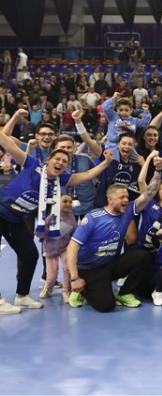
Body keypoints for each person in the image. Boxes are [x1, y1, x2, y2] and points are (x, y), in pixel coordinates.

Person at [0, 116, 113, 313]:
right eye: (57, 159)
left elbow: (87, 175)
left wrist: (107, 162)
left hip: (16, 219)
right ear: (49, 160)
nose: (60, 162)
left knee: (29, 255)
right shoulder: (32, 164)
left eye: (64, 161)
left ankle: (22, 296)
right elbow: (7, 144)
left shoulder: (62, 179)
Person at [66, 153, 162, 312]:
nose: (126, 200)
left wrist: (158, 171)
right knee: (106, 306)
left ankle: (124, 293)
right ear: (110, 199)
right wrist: (74, 278)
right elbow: (72, 247)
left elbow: (149, 194)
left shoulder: (127, 211)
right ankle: (81, 289)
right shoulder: (93, 218)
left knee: (144, 256)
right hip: (90, 269)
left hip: (110, 264)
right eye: (121, 197)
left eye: (127, 197)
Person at [37, 193, 77, 302]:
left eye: (70, 202)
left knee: (67, 269)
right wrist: (43, 231)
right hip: (50, 249)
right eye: (65, 201)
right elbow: (40, 234)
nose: (68, 204)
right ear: (58, 202)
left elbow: (75, 233)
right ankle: (48, 287)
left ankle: (66, 291)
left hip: (65, 248)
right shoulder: (50, 217)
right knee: (52, 276)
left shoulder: (72, 218)